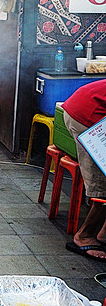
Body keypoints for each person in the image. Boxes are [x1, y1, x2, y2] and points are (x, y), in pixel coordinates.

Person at [62, 80, 106, 262]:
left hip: (83, 106)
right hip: (87, 117)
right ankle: (84, 236)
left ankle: (103, 235)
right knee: (103, 188)